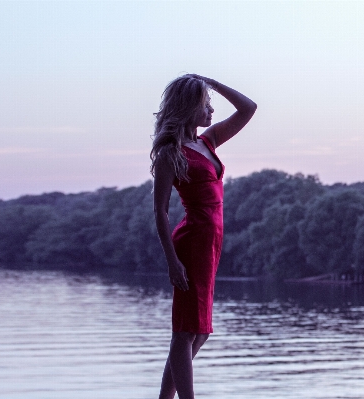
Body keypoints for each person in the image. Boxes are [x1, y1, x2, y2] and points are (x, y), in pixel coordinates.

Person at [151, 74, 256, 399]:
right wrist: (172, 262)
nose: (211, 111)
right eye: (205, 104)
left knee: (201, 330)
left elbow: (248, 108)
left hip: (211, 243)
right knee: (185, 330)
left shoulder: (207, 142)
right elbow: (160, 211)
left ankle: (165, 397)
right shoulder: (171, 152)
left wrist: (212, 82)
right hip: (192, 243)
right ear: (189, 108)